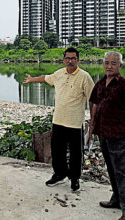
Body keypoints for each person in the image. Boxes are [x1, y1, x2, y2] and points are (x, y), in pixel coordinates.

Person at [23, 47, 94, 192]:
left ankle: (75, 179)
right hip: (58, 120)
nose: (70, 61)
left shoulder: (84, 76)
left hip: (74, 122)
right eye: (67, 58)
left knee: (76, 153)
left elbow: (93, 99)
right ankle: (59, 174)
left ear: (78, 60)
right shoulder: (59, 74)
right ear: (63, 60)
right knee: (57, 151)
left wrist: (93, 118)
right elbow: (45, 77)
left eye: (73, 58)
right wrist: (31, 79)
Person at [89, 51, 125, 220]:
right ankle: (117, 199)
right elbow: (94, 104)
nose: (109, 66)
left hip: (119, 133)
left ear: (120, 65)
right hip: (103, 132)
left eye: (113, 63)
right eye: (106, 63)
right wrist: (91, 127)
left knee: (123, 171)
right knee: (112, 169)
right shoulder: (100, 83)